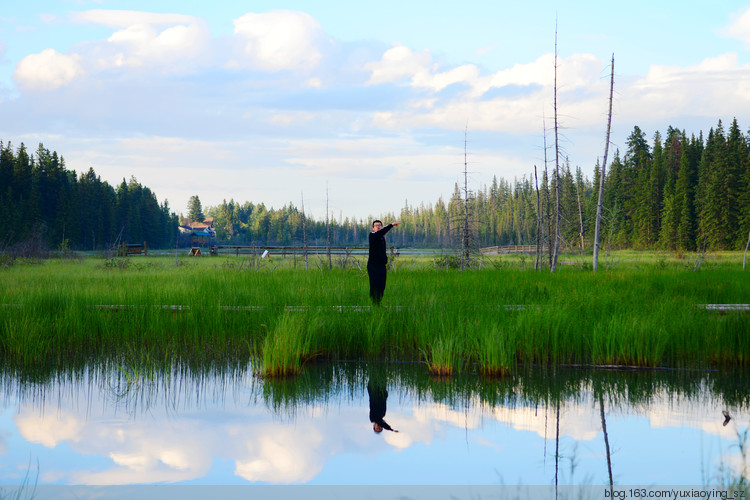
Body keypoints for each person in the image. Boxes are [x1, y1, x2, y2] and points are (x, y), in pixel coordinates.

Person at [367, 220, 400, 305]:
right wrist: (391, 225)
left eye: (379, 225)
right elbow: (381, 232)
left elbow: (381, 233)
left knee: (382, 286)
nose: (378, 226)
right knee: (374, 285)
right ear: (373, 228)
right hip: (373, 266)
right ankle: (374, 303)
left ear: (381, 226)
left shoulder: (381, 237)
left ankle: (378, 302)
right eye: (376, 225)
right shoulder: (372, 235)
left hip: (382, 266)